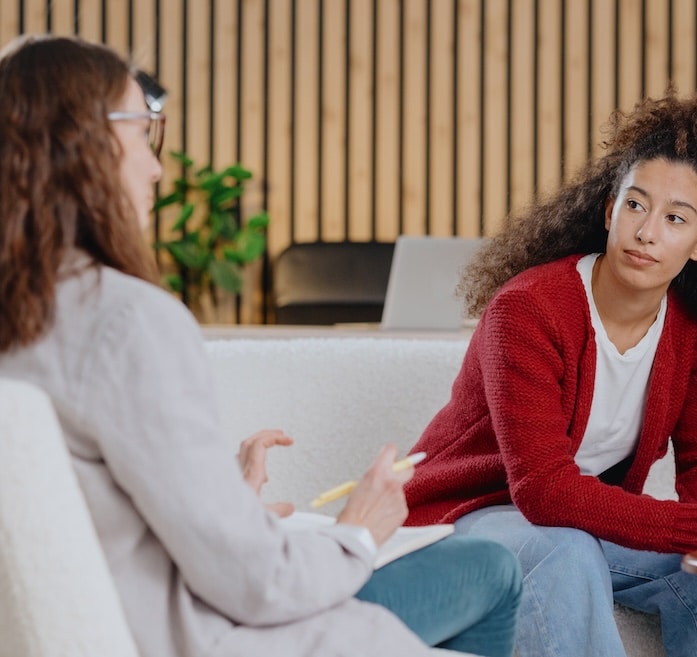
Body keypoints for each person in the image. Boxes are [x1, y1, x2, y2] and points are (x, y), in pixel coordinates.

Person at [0, 34, 520, 657]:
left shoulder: (27, 316)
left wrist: (221, 499)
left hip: (126, 612)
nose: (157, 166)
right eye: (144, 132)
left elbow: (90, 509)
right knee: (491, 568)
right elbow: (256, 583)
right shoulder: (129, 321)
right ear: (87, 142)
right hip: (209, 634)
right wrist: (357, 531)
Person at [403, 92, 697, 657]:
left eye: (675, 219)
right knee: (566, 552)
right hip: (470, 520)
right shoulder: (528, 310)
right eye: (635, 206)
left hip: (579, 524)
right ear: (610, 210)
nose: (647, 232)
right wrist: (696, 523)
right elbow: (542, 492)